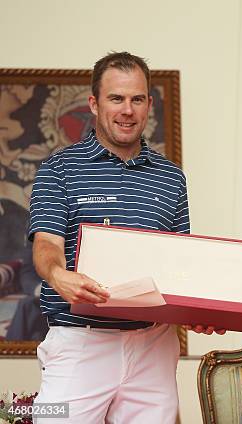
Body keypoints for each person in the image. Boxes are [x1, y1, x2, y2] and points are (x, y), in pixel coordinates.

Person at [28, 52, 219, 423]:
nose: (127, 110)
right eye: (116, 99)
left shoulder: (172, 177)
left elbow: (183, 265)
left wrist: (198, 311)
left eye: (137, 99)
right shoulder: (59, 168)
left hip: (153, 344)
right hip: (80, 341)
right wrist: (56, 275)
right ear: (94, 104)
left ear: (149, 104)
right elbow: (46, 245)